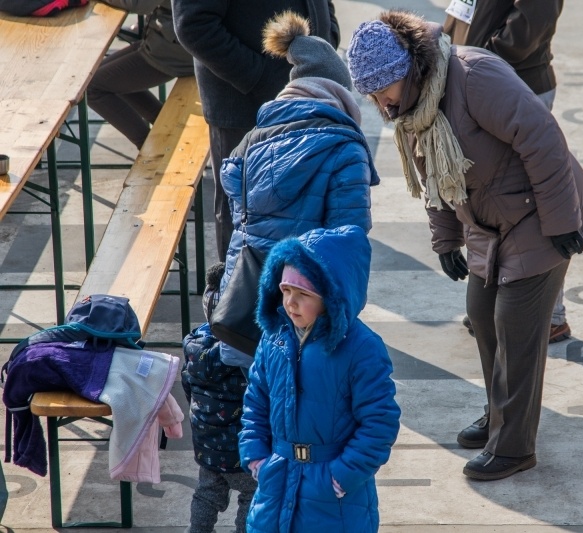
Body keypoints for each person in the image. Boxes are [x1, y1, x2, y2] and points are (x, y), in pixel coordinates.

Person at [346, 11, 583, 481]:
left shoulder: (474, 76)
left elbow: (543, 138)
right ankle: (500, 415)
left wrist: (561, 221)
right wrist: (446, 238)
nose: (381, 103)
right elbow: (433, 172)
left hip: (539, 215)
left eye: (384, 89)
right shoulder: (416, 105)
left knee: (515, 326)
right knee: (482, 315)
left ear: (409, 69)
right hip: (488, 222)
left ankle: (514, 447)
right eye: (372, 94)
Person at [213, 11, 380, 370]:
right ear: (338, 93)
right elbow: (349, 238)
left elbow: (234, 196)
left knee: (256, 393)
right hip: (305, 306)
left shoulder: (251, 140)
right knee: (301, 395)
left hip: (247, 302)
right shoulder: (345, 147)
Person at [239, 224, 401, 532]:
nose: (290, 302)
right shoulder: (274, 338)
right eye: (286, 290)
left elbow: (379, 422)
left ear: (331, 297)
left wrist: (340, 477)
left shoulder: (362, 348)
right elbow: (255, 403)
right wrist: (256, 457)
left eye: (303, 294)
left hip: (334, 500)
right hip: (276, 482)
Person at [172, 0, 341, 262]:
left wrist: (326, 36)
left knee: (305, 207)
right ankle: (238, 288)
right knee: (244, 217)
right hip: (244, 105)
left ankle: (295, 285)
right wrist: (260, 77)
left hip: (306, 92)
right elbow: (193, 24)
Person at [443, 0, 570, 343]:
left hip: (512, 82)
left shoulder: (481, 70)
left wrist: (481, 60)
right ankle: (499, 306)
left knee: (529, 202)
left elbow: (535, 16)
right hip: (476, 80)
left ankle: (549, 315)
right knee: (489, 196)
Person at [181, 262, 256, 533]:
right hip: (240, 449)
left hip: (207, 445)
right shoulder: (244, 352)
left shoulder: (194, 345)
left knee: (206, 493)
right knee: (252, 494)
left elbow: (187, 387)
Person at [86, 0, 194, 149]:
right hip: (173, 42)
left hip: (175, 52)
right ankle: (166, 125)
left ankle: (152, 147)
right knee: (99, 77)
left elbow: (139, 5)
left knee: (92, 88)